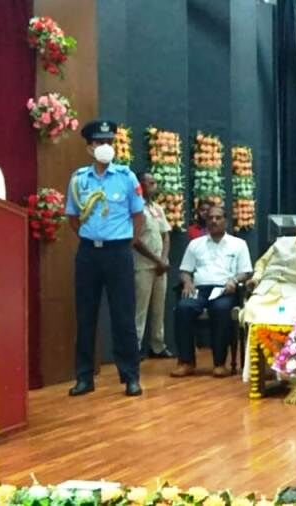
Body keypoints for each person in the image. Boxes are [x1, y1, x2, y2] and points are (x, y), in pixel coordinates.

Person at [64, 119, 145, 397]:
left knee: (123, 316)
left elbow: (138, 216)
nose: (106, 147)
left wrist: (126, 242)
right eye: (100, 142)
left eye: (109, 142)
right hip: (89, 253)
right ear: (89, 147)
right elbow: (73, 217)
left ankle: (131, 376)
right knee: (85, 316)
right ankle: (84, 377)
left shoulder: (126, 177)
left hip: (118, 252)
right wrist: (90, 237)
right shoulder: (79, 179)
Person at [172, 206, 252, 378]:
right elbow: (185, 270)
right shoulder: (195, 244)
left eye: (218, 218)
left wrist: (234, 280)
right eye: (210, 218)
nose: (214, 221)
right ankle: (186, 362)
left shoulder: (238, 244)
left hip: (224, 289)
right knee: (183, 308)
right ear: (206, 221)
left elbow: (246, 272)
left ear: (226, 221)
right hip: (199, 289)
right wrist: (187, 282)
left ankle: (219, 363)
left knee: (221, 309)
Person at [242, 219, 296, 323]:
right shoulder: (282, 242)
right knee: (251, 308)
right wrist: (256, 278)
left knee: (291, 313)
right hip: (267, 287)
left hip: (294, 292)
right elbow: (262, 263)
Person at [133, 172, 174, 359]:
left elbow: (166, 235)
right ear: (140, 185)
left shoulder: (157, 208)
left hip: (160, 267)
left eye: (155, 182)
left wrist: (163, 259)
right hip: (143, 265)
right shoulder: (135, 208)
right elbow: (135, 240)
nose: (154, 186)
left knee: (159, 308)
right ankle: (135, 347)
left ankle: (157, 345)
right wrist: (156, 260)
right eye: (150, 182)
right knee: (140, 309)